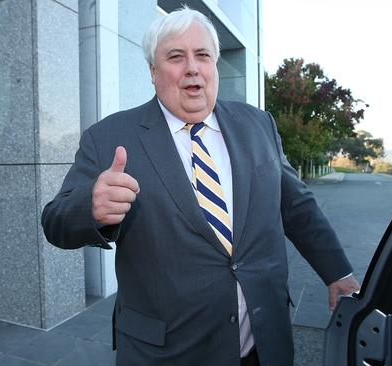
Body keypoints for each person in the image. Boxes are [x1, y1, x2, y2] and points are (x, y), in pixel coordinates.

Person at [41, 6, 359, 366]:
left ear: (214, 65)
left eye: (203, 55)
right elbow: (54, 222)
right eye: (176, 57)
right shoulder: (109, 137)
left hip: (264, 344)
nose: (192, 67)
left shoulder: (258, 125)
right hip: (167, 353)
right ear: (152, 71)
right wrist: (91, 207)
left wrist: (338, 272)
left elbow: (297, 207)